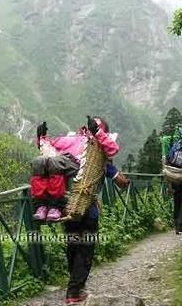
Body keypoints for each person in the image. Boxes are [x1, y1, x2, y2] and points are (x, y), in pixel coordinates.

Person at [35, 116, 128, 304]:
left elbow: (49, 153)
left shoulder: (70, 154)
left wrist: (41, 139)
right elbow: (120, 181)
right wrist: (125, 182)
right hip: (88, 209)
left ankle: (75, 284)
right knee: (85, 249)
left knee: (72, 245)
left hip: (65, 205)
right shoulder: (101, 161)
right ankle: (74, 291)